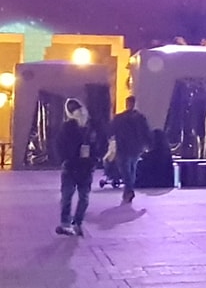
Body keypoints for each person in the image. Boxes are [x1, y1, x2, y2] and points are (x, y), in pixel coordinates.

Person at [55, 98, 101, 236]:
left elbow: (59, 145)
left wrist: (64, 159)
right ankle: (74, 223)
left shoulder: (73, 126)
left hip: (76, 166)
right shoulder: (88, 126)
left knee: (72, 196)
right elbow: (99, 143)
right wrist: (94, 159)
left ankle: (70, 223)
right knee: (79, 196)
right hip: (80, 166)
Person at [110, 100, 150, 204]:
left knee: (125, 170)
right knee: (132, 169)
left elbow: (111, 130)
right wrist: (147, 144)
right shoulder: (140, 118)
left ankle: (129, 190)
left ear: (126, 104)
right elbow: (146, 131)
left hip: (123, 148)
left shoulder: (119, 118)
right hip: (136, 148)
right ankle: (128, 191)